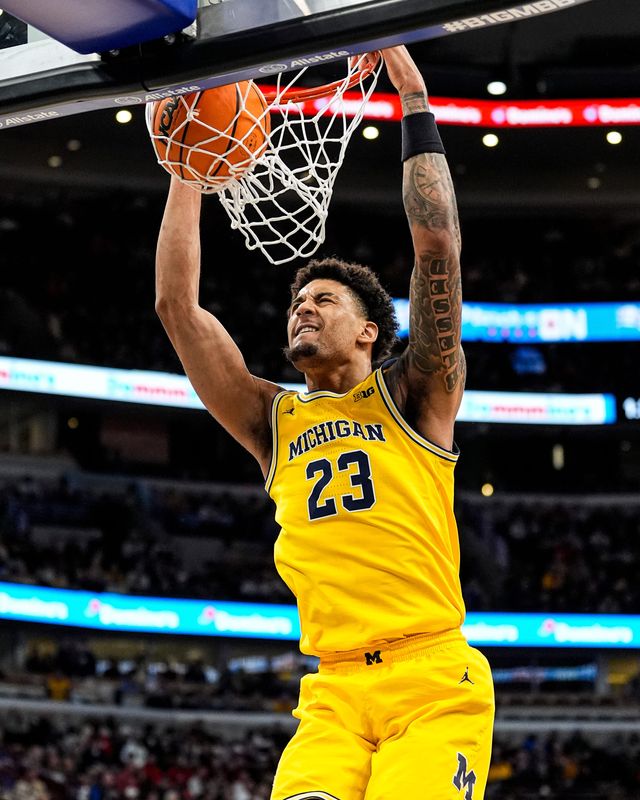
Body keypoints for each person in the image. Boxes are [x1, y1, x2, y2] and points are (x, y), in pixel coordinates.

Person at [155, 46, 494, 800]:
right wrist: (189, 165)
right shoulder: (271, 417)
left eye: (323, 302)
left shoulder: (416, 393)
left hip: (432, 677)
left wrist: (411, 94)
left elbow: (438, 245)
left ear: (370, 331)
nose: (302, 308)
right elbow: (178, 311)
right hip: (334, 691)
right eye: (296, 302)